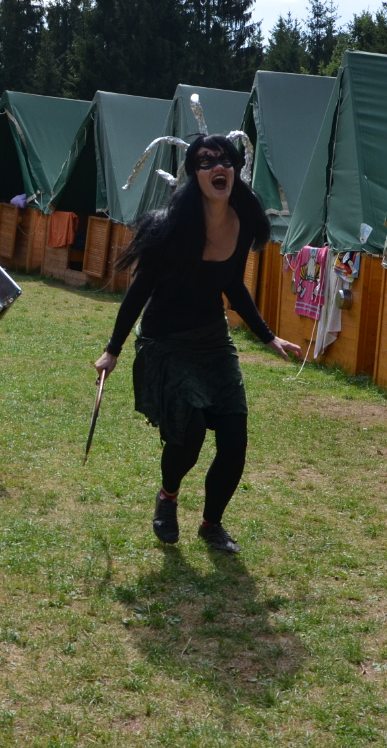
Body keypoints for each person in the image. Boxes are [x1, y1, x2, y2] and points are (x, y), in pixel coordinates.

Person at [92, 133, 300, 552]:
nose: (217, 166)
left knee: (234, 441)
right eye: (206, 161)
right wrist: (112, 350)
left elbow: (233, 286)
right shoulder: (168, 227)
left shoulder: (241, 225)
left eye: (225, 160)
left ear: (235, 171)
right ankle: (168, 496)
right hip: (166, 341)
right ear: (194, 175)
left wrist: (267, 335)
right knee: (190, 435)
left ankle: (211, 524)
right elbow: (139, 291)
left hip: (212, 341)